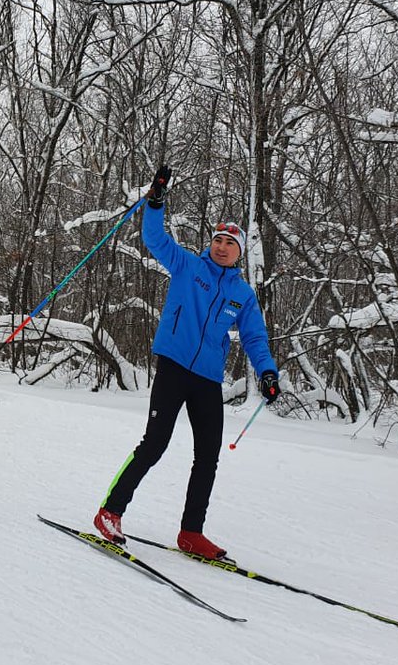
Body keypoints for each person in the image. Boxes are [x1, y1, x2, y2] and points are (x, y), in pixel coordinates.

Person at [93, 165, 280, 559]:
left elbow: (255, 337)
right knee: (155, 444)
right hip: (174, 367)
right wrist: (156, 202)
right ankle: (110, 512)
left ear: (239, 252)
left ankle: (191, 532)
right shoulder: (188, 266)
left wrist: (267, 372)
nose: (222, 246)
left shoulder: (242, 294)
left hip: (207, 379)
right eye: (218, 239)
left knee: (207, 457)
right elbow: (154, 238)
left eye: (230, 242)